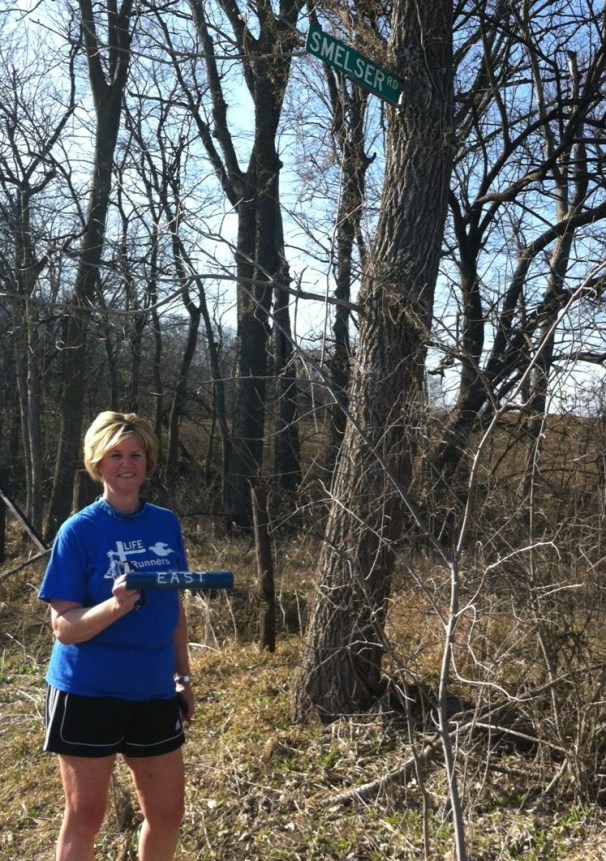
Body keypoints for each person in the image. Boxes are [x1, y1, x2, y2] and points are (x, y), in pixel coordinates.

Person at [39, 411, 195, 861]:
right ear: (97, 463)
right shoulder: (79, 531)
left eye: (136, 454)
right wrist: (114, 606)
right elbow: (63, 628)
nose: (127, 464)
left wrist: (182, 677)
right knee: (86, 817)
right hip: (88, 692)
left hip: (151, 690)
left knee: (167, 814)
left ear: (147, 461)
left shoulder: (165, 524)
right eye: (115, 455)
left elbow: (173, 608)